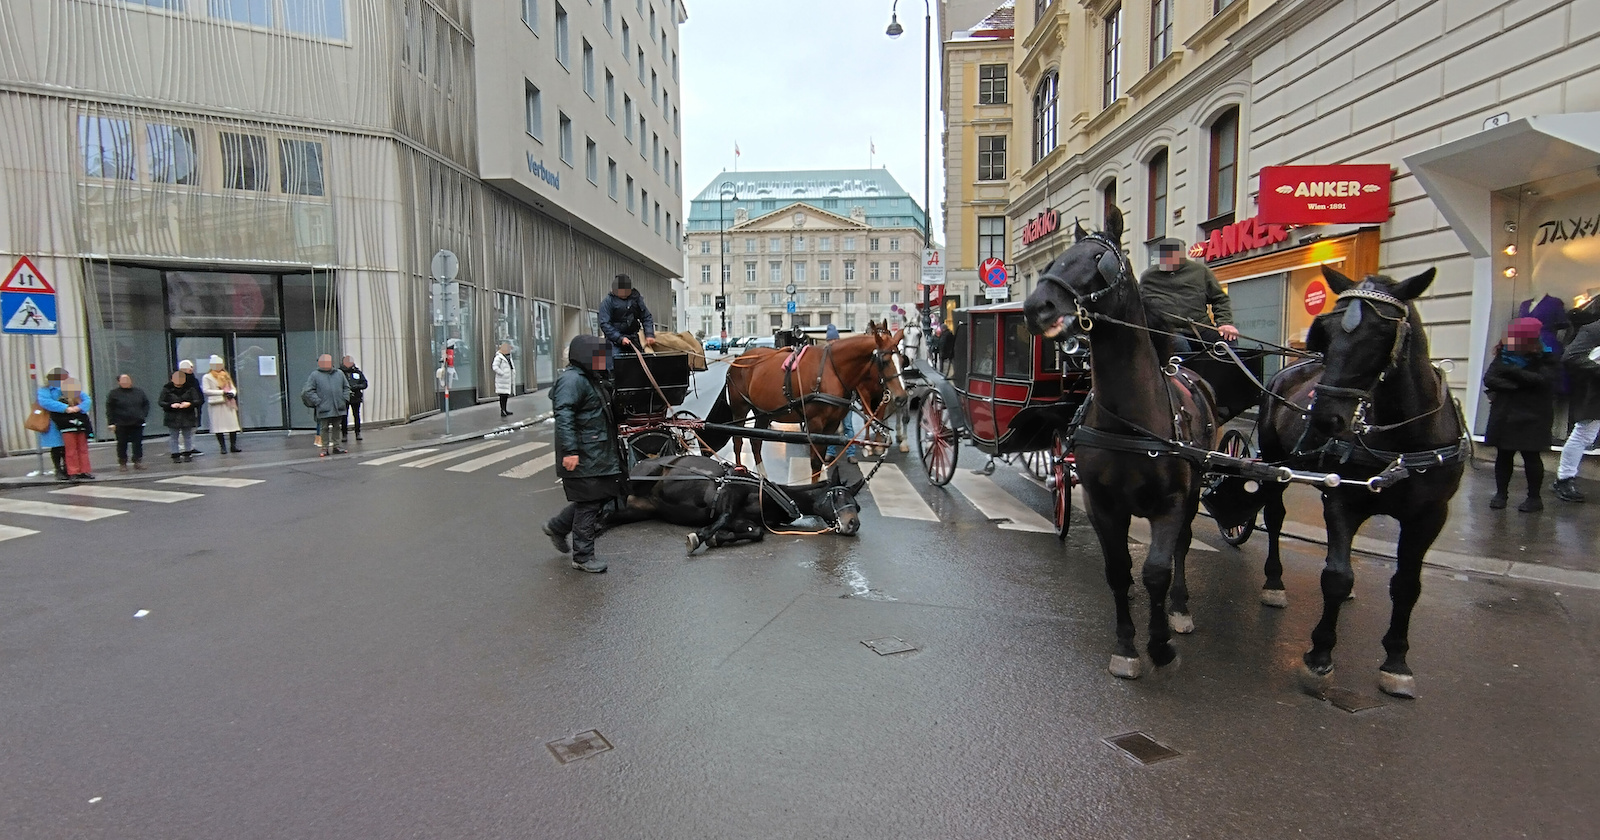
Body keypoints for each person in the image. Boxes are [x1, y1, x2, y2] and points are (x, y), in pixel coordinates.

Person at [543, 335, 625, 574]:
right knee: (589, 503)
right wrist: (570, 451)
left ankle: (557, 527)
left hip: (595, 452)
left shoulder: (589, 377)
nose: (604, 361)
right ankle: (583, 556)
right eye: (599, 356)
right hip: (584, 454)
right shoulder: (572, 380)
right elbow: (564, 416)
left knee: (597, 497)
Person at [1483, 317, 1560, 512]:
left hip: (1533, 415)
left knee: (1531, 457)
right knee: (1503, 455)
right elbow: (1490, 379)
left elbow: (1542, 381)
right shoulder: (1505, 354)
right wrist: (1517, 386)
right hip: (1506, 413)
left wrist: (1512, 372)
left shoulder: (1545, 356)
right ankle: (1501, 494)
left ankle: (1534, 498)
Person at [1139, 238, 1239, 353]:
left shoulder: (1200, 271)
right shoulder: (1148, 277)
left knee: (1228, 341)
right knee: (1178, 344)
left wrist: (1225, 323)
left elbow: (1220, 299)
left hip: (1200, 327)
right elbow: (1141, 305)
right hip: (1169, 331)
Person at [1555, 313, 1600, 503]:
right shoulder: (1594, 329)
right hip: (1596, 391)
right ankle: (1564, 479)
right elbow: (1571, 356)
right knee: (1584, 435)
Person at [37, 369, 95, 480]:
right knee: (57, 446)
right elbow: (46, 402)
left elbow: (86, 399)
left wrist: (79, 407)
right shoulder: (45, 390)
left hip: (72, 421)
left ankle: (71, 470)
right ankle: (59, 469)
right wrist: (65, 408)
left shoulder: (69, 386)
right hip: (54, 420)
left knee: (71, 447)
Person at [301, 354, 352, 457]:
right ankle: (325, 447)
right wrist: (317, 401)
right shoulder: (315, 375)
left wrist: (345, 399)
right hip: (323, 407)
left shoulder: (339, 374)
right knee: (324, 428)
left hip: (338, 406)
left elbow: (346, 387)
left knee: (337, 427)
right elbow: (308, 390)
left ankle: (336, 446)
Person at [598, 273, 656, 361]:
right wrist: (619, 338)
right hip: (615, 341)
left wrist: (649, 334)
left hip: (634, 338)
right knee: (615, 361)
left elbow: (646, 317)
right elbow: (604, 323)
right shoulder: (608, 302)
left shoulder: (636, 299)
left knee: (645, 359)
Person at [104, 373, 151, 472]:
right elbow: (110, 409)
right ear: (119, 382)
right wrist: (111, 422)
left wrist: (143, 415)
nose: (126, 382)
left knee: (137, 443)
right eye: (123, 380)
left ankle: (137, 461)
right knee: (122, 443)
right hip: (121, 423)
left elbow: (146, 404)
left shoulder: (139, 392)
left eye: (128, 379)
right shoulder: (114, 394)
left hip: (137, 422)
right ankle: (123, 462)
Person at [202, 355, 243, 454]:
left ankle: (233, 445)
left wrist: (232, 393)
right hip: (216, 403)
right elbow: (206, 390)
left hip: (229, 403)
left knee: (232, 425)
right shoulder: (207, 377)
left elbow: (232, 387)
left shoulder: (226, 375)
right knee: (218, 426)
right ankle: (223, 447)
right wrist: (222, 393)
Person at [159, 370, 202, 463]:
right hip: (172, 416)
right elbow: (161, 402)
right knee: (174, 437)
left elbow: (197, 400)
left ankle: (188, 453)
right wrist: (171, 405)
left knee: (187, 436)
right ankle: (175, 454)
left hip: (187, 415)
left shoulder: (190, 388)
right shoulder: (167, 389)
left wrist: (189, 404)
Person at [175, 359, 205, 458]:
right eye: (190, 367)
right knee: (183, 429)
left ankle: (190, 447)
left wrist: (198, 402)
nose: (192, 369)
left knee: (192, 428)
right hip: (184, 408)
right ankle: (182, 449)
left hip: (194, 407)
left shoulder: (193, 380)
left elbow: (198, 393)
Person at [339, 355, 368, 443]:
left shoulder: (357, 372)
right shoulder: (339, 373)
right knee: (344, 416)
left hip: (356, 397)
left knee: (356, 415)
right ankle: (344, 434)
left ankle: (357, 433)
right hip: (344, 397)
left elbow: (364, 383)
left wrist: (357, 386)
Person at [492, 342, 516, 417]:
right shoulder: (499, 357)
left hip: (507, 380)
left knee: (505, 395)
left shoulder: (508, 357)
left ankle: (505, 410)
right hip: (502, 380)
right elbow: (495, 367)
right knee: (502, 396)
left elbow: (511, 367)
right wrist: (502, 373)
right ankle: (502, 410)